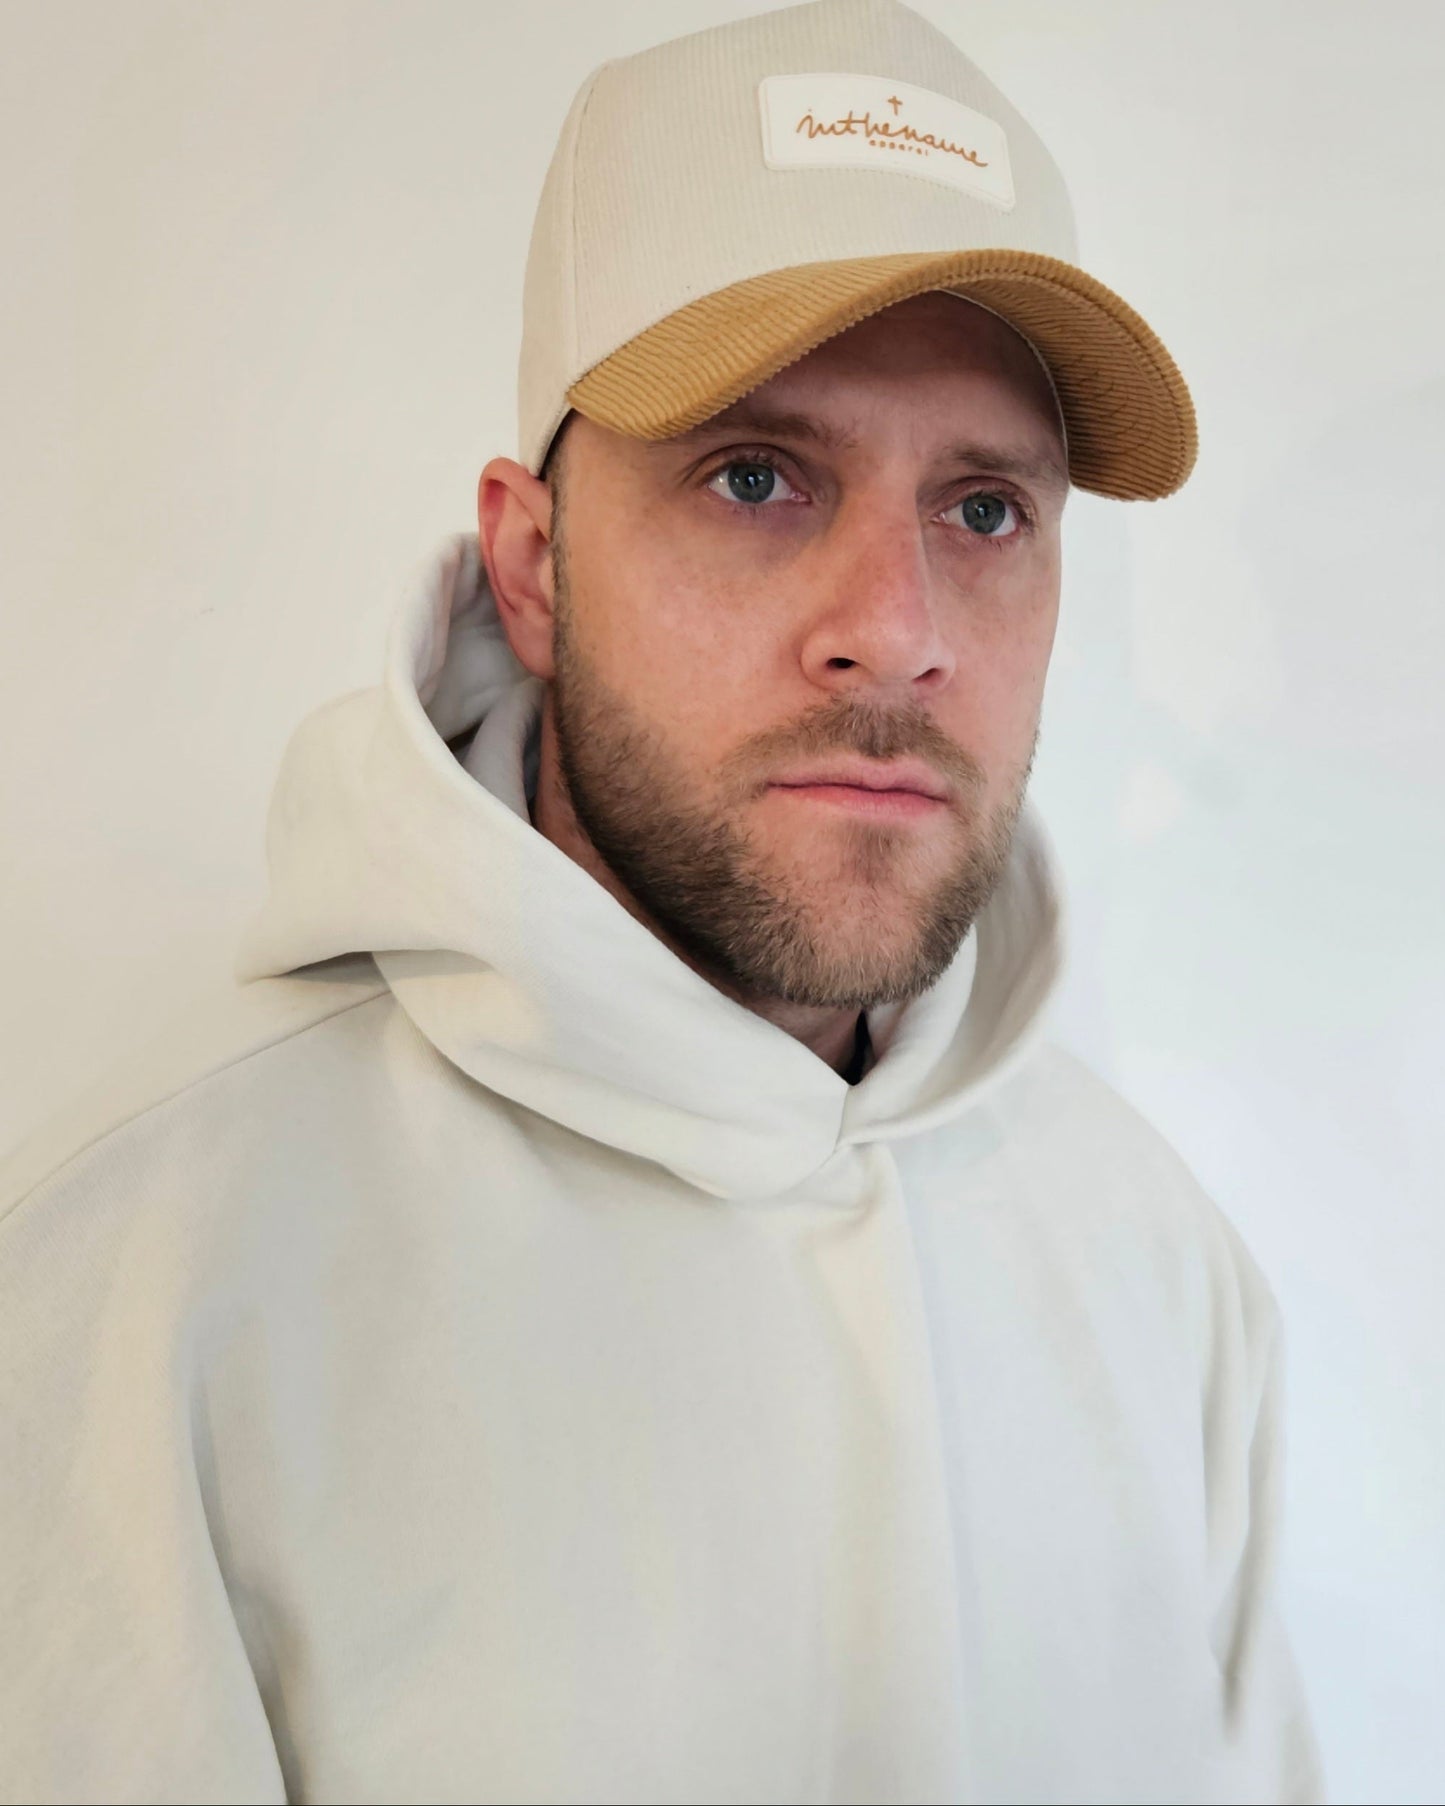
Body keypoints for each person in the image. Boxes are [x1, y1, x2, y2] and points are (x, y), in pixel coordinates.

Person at [0, 1, 1323, 1800]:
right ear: (531, 566)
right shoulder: (145, 1283)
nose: (900, 627)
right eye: (757, 475)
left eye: (986, 508)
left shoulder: (1161, 1270)